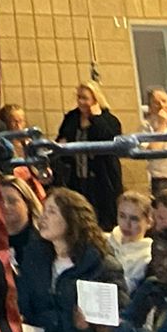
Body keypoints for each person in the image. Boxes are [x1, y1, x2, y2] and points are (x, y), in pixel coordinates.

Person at [16, 188, 126, 332]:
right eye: (43, 210)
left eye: (51, 211)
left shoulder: (101, 267)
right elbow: (24, 308)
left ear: (72, 218)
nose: (43, 218)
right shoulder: (34, 259)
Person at [52, 83, 123, 230]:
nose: (81, 102)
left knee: (103, 218)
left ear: (95, 100)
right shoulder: (72, 118)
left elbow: (109, 139)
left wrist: (96, 118)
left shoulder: (108, 119)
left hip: (102, 178)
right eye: (79, 98)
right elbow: (62, 139)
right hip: (77, 176)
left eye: (85, 98)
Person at [108, 190, 154, 293]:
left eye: (134, 219)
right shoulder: (104, 240)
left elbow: (127, 289)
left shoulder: (147, 256)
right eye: (122, 216)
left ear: (149, 222)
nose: (127, 224)